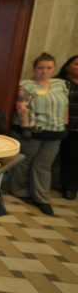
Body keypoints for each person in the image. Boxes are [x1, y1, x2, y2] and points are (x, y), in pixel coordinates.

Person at [9, 53, 69, 215]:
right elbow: (22, 107)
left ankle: (41, 197)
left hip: (55, 131)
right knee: (24, 161)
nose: (44, 71)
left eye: (48, 68)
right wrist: (26, 128)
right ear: (35, 69)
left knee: (44, 164)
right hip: (34, 130)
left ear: (54, 69)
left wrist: (65, 125)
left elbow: (65, 106)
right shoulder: (27, 85)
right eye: (41, 68)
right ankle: (20, 191)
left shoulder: (61, 85)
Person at [56, 55, 78, 200]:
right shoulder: (60, 84)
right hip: (69, 127)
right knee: (71, 157)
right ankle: (69, 187)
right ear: (67, 66)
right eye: (76, 64)